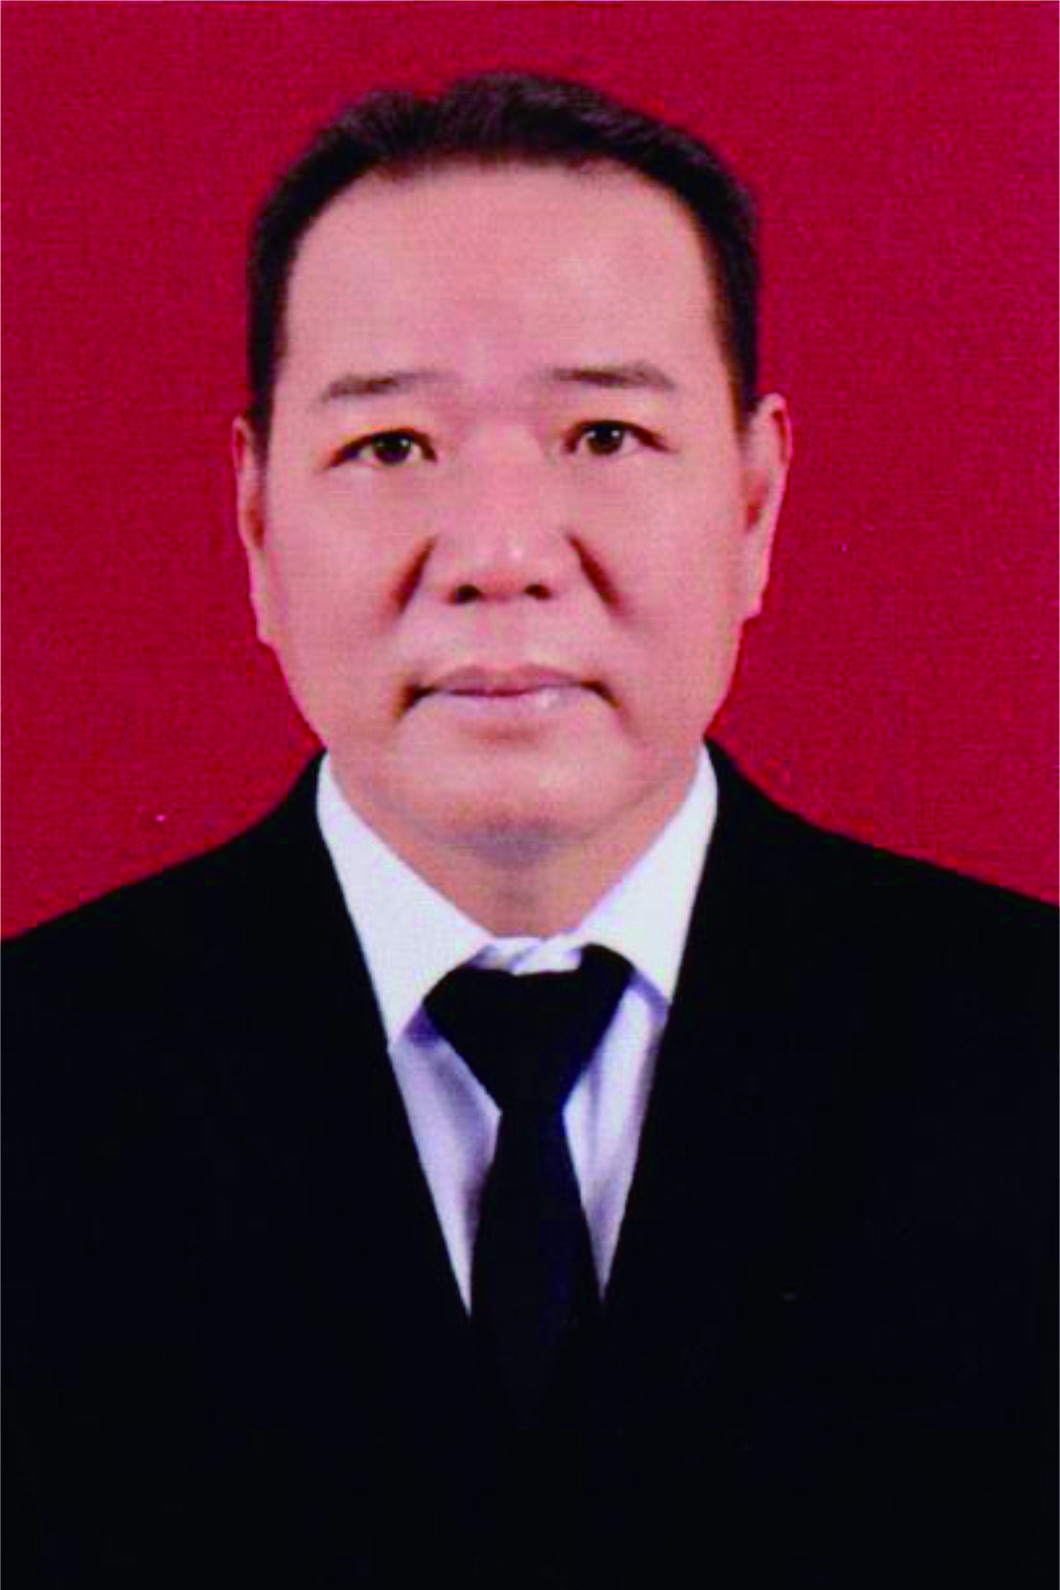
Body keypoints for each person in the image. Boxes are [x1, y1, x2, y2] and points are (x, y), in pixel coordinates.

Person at [4, 73, 1054, 1590]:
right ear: (256, 522)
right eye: (391, 448)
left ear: (755, 504)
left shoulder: (1024, 1052)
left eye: (606, 434)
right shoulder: (32, 1080)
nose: (500, 557)